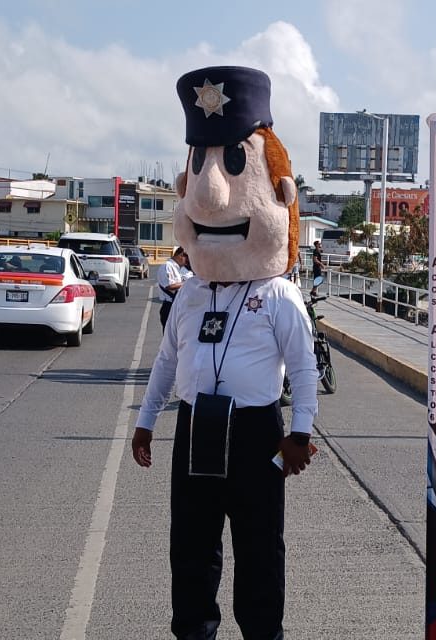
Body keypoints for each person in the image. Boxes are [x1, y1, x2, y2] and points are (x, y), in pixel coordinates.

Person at [132, 65, 318, 640]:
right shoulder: (190, 292)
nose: (213, 194)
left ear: (280, 194)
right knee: (190, 546)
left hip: (258, 432)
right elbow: (166, 362)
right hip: (194, 429)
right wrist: (145, 422)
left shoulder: (280, 294)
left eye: (235, 165)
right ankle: (194, 632)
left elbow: (306, 367)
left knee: (260, 550)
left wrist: (301, 431)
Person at [157, 247, 189, 331]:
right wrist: (187, 283)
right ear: (181, 255)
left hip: (177, 305)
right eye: (187, 258)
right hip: (169, 306)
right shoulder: (167, 266)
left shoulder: (178, 268)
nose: (187, 262)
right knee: (169, 337)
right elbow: (169, 286)